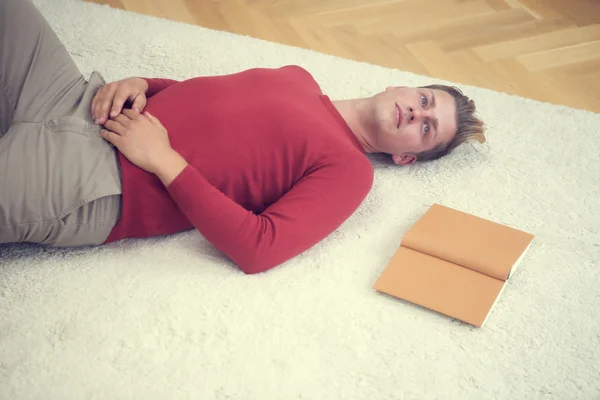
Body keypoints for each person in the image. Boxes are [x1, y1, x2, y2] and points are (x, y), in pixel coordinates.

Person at [0, 0, 485, 273]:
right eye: (424, 100)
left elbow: (260, 248)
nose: (416, 114)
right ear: (400, 85)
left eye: (428, 129)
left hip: (99, 181)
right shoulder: (299, 76)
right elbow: (209, 102)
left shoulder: (351, 172)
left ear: (406, 159)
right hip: (79, 100)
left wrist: (163, 159)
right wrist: (144, 85)